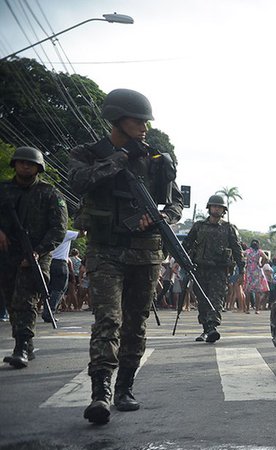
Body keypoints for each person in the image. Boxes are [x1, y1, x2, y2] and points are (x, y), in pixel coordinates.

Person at [69, 89, 183, 423]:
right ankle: (100, 394)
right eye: (138, 120)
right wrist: (120, 157)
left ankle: (125, 389)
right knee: (107, 321)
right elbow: (78, 181)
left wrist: (162, 217)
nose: (145, 127)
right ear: (117, 119)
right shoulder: (89, 153)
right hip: (105, 249)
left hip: (146, 253)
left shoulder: (155, 158)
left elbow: (176, 201)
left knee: (136, 324)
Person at [0, 146, 68, 369]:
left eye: (30, 163)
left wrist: (38, 251)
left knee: (25, 298)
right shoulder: (3, 190)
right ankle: (26, 345)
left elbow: (58, 229)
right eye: (21, 162)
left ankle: (21, 346)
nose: (25, 165)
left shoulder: (50, 194)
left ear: (39, 167)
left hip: (37, 253)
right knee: (11, 299)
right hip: (7, 253)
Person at [184, 194, 244, 343]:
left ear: (223, 210)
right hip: (199, 268)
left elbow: (237, 250)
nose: (216, 209)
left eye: (219, 207)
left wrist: (242, 270)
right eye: (214, 206)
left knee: (215, 299)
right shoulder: (199, 226)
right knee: (202, 300)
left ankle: (212, 327)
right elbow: (186, 244)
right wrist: (183, 261)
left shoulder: (229, 228)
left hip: (219, 270)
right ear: (209, 208)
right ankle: (206, 329)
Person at [45, 229, 79, 321]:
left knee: (49, 289)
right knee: (60, 289)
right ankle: (50, 312)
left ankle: (46, 310)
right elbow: (82, 234)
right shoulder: (66, 233)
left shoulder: (48, 232)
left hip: (48, 262)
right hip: (60, 262)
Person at [243, 239, 269, 313]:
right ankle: (257, 309)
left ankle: (247, 309)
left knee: (248, 291)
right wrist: (261, 264)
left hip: (249, 271)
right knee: (257, 291)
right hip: (257, 270)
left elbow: (242, 254)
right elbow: (266, 258)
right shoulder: (259, 251)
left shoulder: (248, 251)